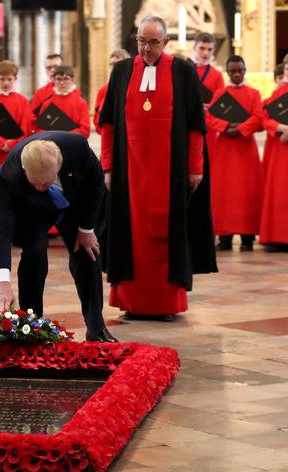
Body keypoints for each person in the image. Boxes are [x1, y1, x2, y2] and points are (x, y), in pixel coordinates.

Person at [99, 15, 217, 322]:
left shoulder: (183, 71)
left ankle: (166, 304)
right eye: (141, 41)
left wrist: (196, 169)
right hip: (129, 174)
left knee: (168, 235)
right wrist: (108, 167)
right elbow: (108, 124)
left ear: (165, 43)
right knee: (130, 235)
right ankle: (131, 302)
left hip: (172, 173)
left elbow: (195, 127)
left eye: (153, 42)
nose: (146, 49)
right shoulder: (122, 71)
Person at [0, 132, 116, 343]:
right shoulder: (10, 178)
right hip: (31, 209)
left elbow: (96, 183)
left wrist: (85, 229)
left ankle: (96, 328)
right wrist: (2, 283)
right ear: (25, 171)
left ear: (59, 166)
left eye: (46, 184)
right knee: (35, 252)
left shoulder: (77, 148)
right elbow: (0, 231)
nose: (41, 188)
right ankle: (32, 326)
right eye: (36, 183)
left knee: (88, 253)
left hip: (71, 200)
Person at [206, 55, 263, 252]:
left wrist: (239, 129)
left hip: (245, 148)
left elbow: (259, 117)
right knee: (224, 191)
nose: (237, 74)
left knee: (247, 192)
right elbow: (208, 116)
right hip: (225, 149)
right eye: (233, 71)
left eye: (240, 70)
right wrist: (225, 126)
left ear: (245, 70)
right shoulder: (221, 93)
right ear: (228, 72)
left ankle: (248, 237)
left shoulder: (254, 94)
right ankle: (225, 236)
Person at [0, 59, 32, 233]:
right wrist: (1, 143)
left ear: (15, 79)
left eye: (9, 79)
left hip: (14, 154)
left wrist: (13, 144)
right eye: (2, 79)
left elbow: (25, 127)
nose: (6, 83)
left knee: (14, 190)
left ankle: (15, 229)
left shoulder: (23, 101)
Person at [259, 60, 288, 252]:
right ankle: (277, 236)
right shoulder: (276, 95)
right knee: (279, 190)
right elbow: (264, 117)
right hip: (280, 148)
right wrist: (281, 127)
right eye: (287, 68)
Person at [190, 33, 225, 168]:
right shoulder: (186, 68)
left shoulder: (217, 75)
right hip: (188, 122)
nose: (205, 53)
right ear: (194, 47)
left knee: (208, 163)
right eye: (202, 48)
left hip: (208, 126)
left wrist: (210, 107)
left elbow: (220, 106)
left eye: (209, 49)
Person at [34, 65, 90, 138]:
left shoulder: (81, 103)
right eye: (59, 79)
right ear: (54, 80)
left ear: (72, 80)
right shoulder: (46, 103)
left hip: (73, 143)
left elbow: (85, 131)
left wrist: (63, 136)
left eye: (66, 79)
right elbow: (39, 129)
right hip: (51, 143)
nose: (62, 83)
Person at [94, 49, 130, 134]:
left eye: (117, 64)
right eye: (112, 65)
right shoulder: (103, 90)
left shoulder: (134, 87)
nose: (114, 68)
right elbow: (97, 119)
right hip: (109, 136)